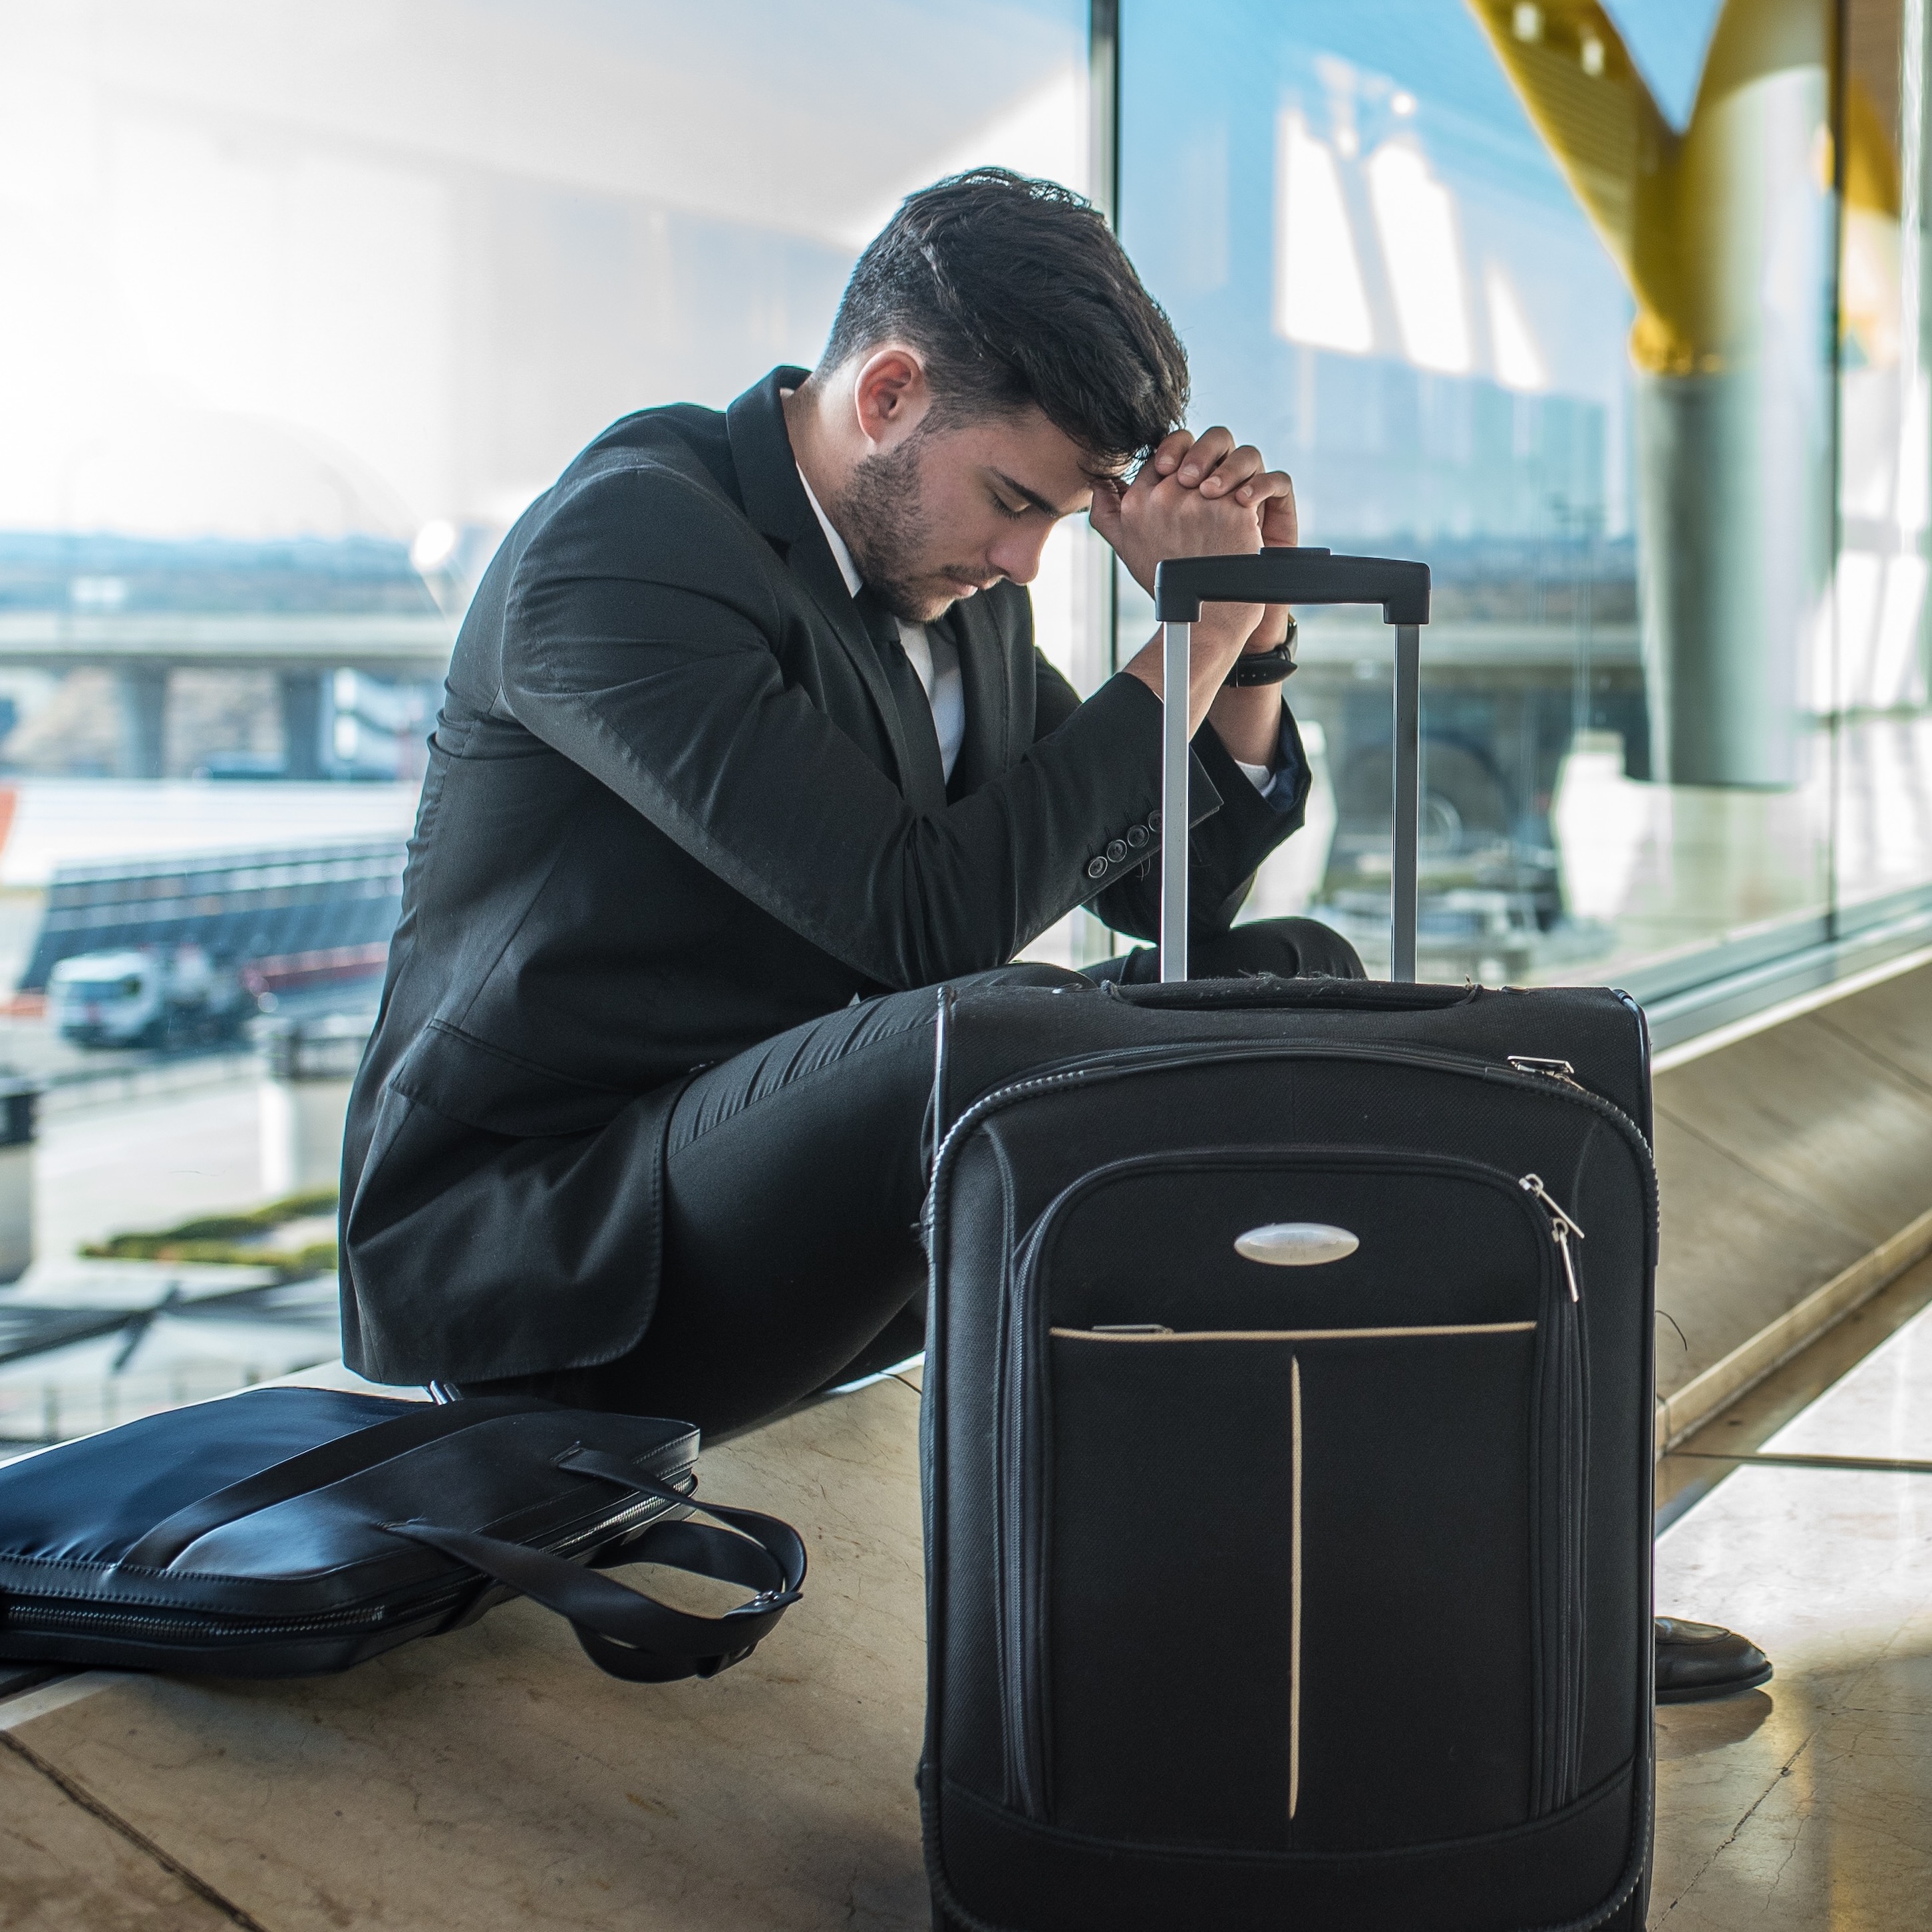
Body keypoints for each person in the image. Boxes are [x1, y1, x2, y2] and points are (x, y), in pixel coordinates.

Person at [338, 168, 1768, 1705]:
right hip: (560, 1255)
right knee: (996, 1032)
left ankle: (1489, 1587)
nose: (1028, 563)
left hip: (809, 1203)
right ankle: (1346, 1609)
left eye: (1060, 520)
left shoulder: (952, 600)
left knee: (1299, 988)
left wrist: (1250, 634)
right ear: (889, 392)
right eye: (1018, 504)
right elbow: (921, 921)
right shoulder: (626, 552)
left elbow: (1165, 895)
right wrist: (1182, 642)